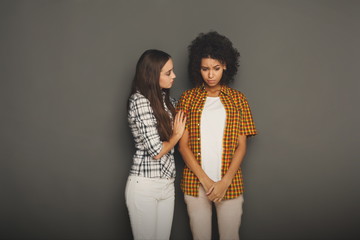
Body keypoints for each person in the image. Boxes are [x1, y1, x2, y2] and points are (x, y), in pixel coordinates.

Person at [177, 31, 257, 240]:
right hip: (196, 184)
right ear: (198, 68)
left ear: (226, 66)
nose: (210, 75)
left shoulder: (238, 99)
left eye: (216, 68)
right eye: (205, 69)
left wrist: (224, 182)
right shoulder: (187, 99)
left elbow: (242, 146)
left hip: (230, 183)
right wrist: (205, 180)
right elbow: (183, 146)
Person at [126, 49, 186, 240]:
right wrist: (176, 136)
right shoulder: (139, 101)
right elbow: (156, 151)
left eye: (173, 71)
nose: (174, 76)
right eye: (168, 73)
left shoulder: (167, 102)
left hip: (167, 184)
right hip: (145, 185)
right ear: (152, 75)